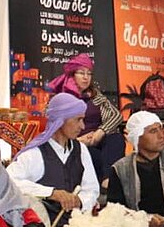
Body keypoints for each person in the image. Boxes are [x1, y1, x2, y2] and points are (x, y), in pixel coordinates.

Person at [7, 92, 100, 224]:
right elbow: (9, 182)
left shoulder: (81, 150)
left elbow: (92, 189)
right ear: (60, 121)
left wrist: (80, 201)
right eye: (78, 120)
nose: (83, 126)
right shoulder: (35, 153)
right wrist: (52, 193)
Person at [47, 54, 126, 187]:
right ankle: (101, 185)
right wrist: (78, 141)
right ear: (72, 74)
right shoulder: (61, 97)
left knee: (116, 139)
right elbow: (54, 127)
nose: (86, 77)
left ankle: (108, 181)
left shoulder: (94, 95)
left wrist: (100, 132)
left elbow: (115, 115)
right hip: (76, 141)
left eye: (89, 74)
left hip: (97, 138)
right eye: (82, 73)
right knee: (92, 155)